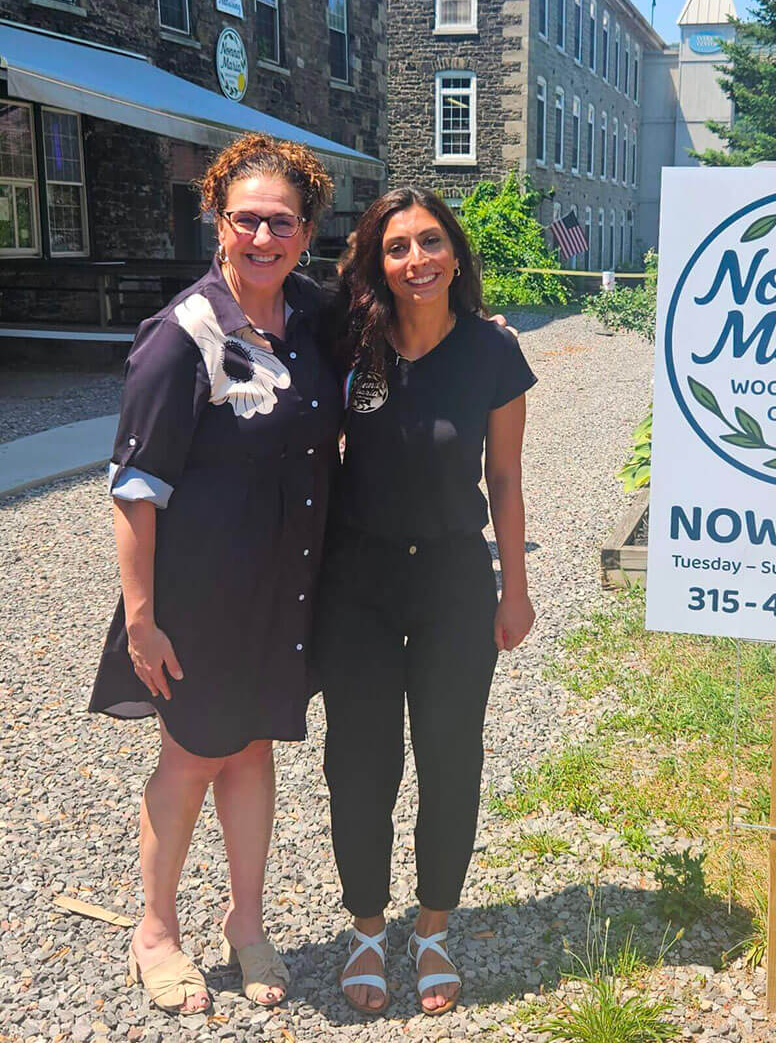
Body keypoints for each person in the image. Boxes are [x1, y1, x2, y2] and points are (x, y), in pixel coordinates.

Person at [89, 133, 340, 1015]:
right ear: (217, 221)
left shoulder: (310, 316)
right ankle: (154, 931)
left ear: (307, 231)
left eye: (282, 222)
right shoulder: (184, 336)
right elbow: (135, 487)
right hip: (196, 594)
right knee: (195, 753)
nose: (263, 239)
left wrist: (475, 328)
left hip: (283, 587)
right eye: (246, 221)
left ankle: (246, 921)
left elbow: (400, 327)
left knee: (253, 747)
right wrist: (142, 619)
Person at [313, 188, 536, 1017]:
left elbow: (505, 479)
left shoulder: (493, 353)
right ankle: (368, 926)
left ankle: (433, 922)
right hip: (358, 583)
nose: (417, 259)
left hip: (451, 580)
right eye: (398, 247)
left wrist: (517, 588)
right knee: (360, 760)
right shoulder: (349, 341)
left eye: (431, 241)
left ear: (455, 250)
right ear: (377, 261)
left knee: (451, 756)